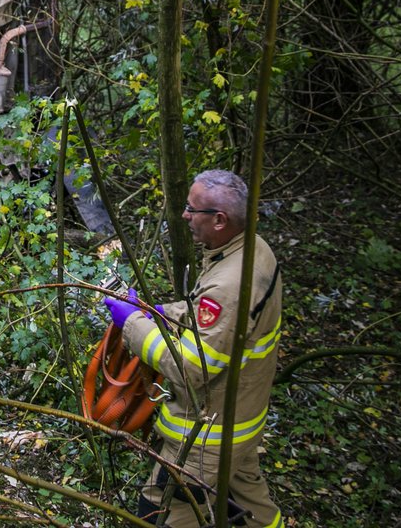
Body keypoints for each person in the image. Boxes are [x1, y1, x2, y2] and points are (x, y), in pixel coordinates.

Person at [104, 169, 283, 528]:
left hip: (208, 436)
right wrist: (160, 314)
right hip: (242, 423)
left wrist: (133, 325)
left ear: (220, 220)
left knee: (162, 511)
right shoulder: (250, 251)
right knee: (252, 507)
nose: (184, 215)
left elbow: (192, 367)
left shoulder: (230, 284)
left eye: (192, 209)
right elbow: (216, 321)